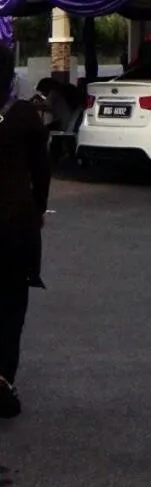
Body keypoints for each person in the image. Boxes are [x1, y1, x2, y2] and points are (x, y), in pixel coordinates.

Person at [0, 46, 51, 418]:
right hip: (16, 226)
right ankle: (3, 378)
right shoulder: (25, 116)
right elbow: (41, 172)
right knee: (11, 307)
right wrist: (39, 211)